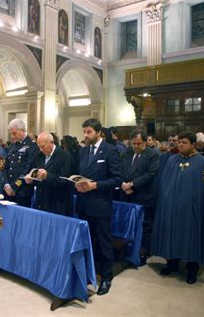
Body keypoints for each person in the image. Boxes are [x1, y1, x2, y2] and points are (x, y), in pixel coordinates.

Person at [151, 131, 204, 285]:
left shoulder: (202, 162)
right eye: (179, 142)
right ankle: (171, 264)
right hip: (172, 208)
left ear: (193, 144)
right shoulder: (171, 160)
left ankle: (192, 269)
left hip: (192, 210)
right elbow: (164, 183)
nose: (180, 144)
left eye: (184, 142)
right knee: (171, 234)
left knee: (191, 237)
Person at [74, 118, 123, 295]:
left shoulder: (110, 151)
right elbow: (81, 173)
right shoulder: (83, 151)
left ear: (99, 132)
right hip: (84, 204)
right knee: (89, 241)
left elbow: (118, 179)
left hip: (101, 205)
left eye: (89, 132)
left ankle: (107, 277)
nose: (86, 135)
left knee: (103, 243)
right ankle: (91, 273)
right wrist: (77, 183)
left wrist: (95, 185)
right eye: (84, 132)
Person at [120, 129, 159, 264]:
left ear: (145, 142)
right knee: (128, 223)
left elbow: (150, 174)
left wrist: (132, 185)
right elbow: (121, 170)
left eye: (139, 143)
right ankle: (128, 249)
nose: (136, 146)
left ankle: (143, 251)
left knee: (144, 225)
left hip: (144, 195)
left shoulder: (152, 155)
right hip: (126, 195)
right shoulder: (126, 153)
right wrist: (124, 185)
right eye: (134, 143)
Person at [25, 132, 73, 216]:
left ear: (51, 142)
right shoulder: (40, 156)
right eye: (39, 147)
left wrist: (47, 176)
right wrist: (31, 180)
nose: (41, 149)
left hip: (56, 203)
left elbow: (65, 181)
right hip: (41, 201)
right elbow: (36, 175)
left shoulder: (65, 156)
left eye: (43, 146)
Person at [2, 118, 39, 207]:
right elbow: (5, 166)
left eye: (14, 133)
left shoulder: (32, 146)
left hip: (22, 191)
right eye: (11, 133)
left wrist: (14, 187)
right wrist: (6, 185)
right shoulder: (12, 146)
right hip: (9, 190)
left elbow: (27, 170)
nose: (12, 136)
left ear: (22, 130)